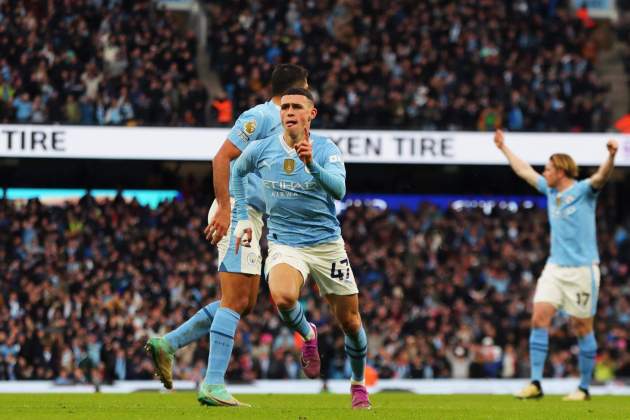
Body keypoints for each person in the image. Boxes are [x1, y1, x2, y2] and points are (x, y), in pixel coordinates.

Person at [145, 64, 309, 407]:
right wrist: (223, 206)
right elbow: (221, 157)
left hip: (251, 218)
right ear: (294, 91)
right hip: (237, 212)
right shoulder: (261, 117)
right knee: (235, 301)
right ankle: (213, 385)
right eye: (305, 90)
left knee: (244, 302)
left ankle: (170, 343)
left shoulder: (287, 129)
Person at [230, 87, 371, 409]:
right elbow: (237, 172)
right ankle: (308, 334)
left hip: (326, 245)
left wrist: (311, 166)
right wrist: (241, 219)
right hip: (285, 242)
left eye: (297, 107)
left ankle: (358, 383)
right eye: (285, 107)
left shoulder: (324, 149)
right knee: (282, 297)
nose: (289, 111)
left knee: (350, 322)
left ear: (311, 115)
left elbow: (339, 190)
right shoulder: (262, 148)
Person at [493, 129, 618, 401]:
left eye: (548, 168)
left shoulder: (584, 191)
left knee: (582, 327)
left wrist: (611, 156)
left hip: (583, 270)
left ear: (561, 171)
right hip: (555, 268)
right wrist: (504, 148)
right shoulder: (549, 191)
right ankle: (536, 383)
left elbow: (601, 177)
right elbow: (524, 170)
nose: (544, 172)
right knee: (539, 317)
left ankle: (584, 388)